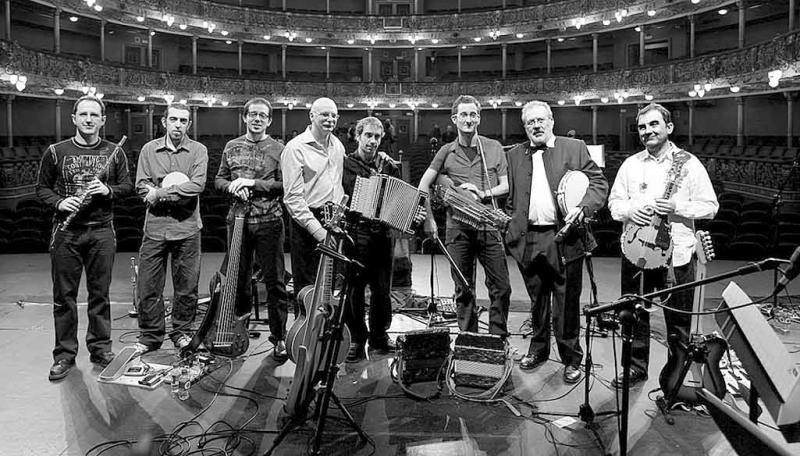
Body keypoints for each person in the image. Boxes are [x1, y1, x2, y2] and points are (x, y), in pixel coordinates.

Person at [607, 103, 718, 387]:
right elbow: (614, 203)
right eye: (642, 127)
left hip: (676, 257)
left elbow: (710, 206)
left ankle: (675, 375)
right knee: (633, 315)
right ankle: (634, 368)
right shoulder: (631, 164)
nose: (647, 131)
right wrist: (630, 211)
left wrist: (677, 207)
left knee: (678, 321)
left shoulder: (689, 163)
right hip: (637, 253)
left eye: (654, 124)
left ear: (669, 127)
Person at [504, 100, 607, 384]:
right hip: (528, 238)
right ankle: (538, 350)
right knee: (537, 300)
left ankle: (571, 358)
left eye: (541, 120)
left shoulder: (574, 147)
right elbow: (511, 198)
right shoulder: (514, 154)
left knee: (566, 302)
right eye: (530, 122)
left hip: (564, 237)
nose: (536, 125)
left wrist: (583, 207)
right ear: (525, 127)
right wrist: (511, 226)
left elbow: (598, 183)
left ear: (551, 121)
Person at [37, 95, 133, 381]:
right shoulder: (56, 152)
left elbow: (127, 186)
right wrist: (59, 202)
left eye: (94, 115)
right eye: (83, 114)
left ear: (102, 120)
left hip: (101, 231)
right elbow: (42, 188)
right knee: (64, 297)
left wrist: (108, 191)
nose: (88, 119)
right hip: (66, 232)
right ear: (74, 118)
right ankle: (64, 355)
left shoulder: (115, 152)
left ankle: (101, 349)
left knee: (99, 294)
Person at [417, 95, 511, 337]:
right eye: (463, 115)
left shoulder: (494, 147)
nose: (468, 120)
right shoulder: (446, 151)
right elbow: (423, 185)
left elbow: (505, 186)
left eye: (473, 115)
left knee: (501, 287)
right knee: (464, 289)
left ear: (478, 118)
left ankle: (497, 339)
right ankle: (468, 341)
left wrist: (483, 192)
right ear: (454, 119)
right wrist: (429, 219)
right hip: (457, 229)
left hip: (488, 226)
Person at [215, 97, 289, 362]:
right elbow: (219, 179)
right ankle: (238, 334)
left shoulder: (280, 149)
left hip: (270, 222)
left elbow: (284, 186)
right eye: (253, 114)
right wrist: (231, 187)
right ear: (245, 117)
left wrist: (252, 183)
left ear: (269, 120)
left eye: (263, 116)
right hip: (238, 221)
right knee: (238, 280)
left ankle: (279, 338)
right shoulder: (231, 146)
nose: (257, 119)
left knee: (275, 283)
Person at [134, 104, 208, 354]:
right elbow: (141, 186)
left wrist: (160, 193)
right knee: (148, 286)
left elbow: (197, 185)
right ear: (164, 121)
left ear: (189, 124)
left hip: (187, 228)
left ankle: (182, 332)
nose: (178, 124)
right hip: (155, 228)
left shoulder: (198, 150)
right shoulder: (149, 150)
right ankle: (150, 337)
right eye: (173, 119)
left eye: (183, 120)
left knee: (187, 287)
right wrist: (170, 192)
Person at [340, 117, 399, 362]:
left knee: (382, 290)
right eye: (368, 135)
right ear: (358, 136)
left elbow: (397, 199)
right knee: (354, 289)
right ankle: (356, 338)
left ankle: (379, 337)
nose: (372, 141)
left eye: (377, 137)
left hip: (383, 235)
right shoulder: (345, 164)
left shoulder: (389, 166)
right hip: (357, 233)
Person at [281, 97, 347, 299]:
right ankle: (306, 321)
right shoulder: (295, 148)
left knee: (329, 286)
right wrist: (317, 231)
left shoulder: (338, 145)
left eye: (334, 115)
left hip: (333, 219)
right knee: (307, 289)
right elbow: (292, 198)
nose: (330, 119)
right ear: (312, 116)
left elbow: (339, 183)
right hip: (307, 222)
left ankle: (325, 320)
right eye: (325, 114)